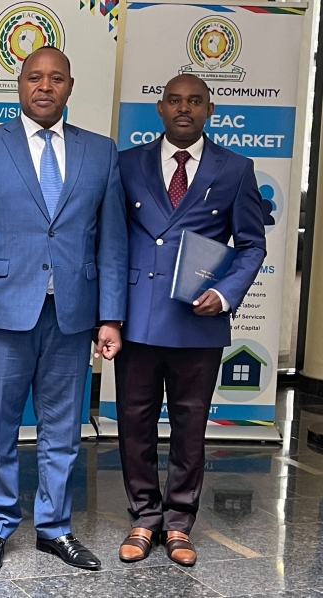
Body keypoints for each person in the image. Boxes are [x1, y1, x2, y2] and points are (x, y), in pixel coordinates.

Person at [0, 46, 127, 574]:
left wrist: (111, 315)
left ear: (70, 86)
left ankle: (55, 527)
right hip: (2, 312)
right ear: (19, 85)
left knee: (63, 428)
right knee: (0, 426)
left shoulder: (101, 152)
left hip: (73, 315)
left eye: (55, 78)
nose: (44, 87)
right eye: (34, 78)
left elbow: (111, 243)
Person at [115, 74, 265, 566]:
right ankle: (143, 517)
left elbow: (251, 244)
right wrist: (109, 316)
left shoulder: (235, 169)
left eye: (194, 101)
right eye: (175, 101)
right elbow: (112, 243)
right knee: (134, 423)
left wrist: (224, 293)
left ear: (210, 110)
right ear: (159, 109)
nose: (184, 109)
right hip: (137, 319)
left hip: (198, 322)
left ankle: (178, 523)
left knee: (189, 424)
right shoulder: (127, 163)